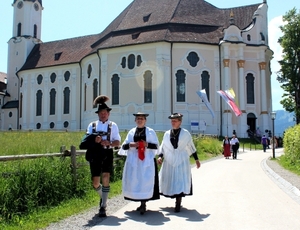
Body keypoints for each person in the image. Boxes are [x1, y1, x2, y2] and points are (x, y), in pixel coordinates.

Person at [80, 95, 121, 217]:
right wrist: (95, 140)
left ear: (108, 114)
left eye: (105, 113)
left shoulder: (113, 126)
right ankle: (103, 198)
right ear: (98, 114)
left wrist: (109, 143)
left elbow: (117, 142)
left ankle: (103, 206)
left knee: (106, 176)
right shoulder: (92, 126)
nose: (103, 115)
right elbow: (85, 141)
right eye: (101, 113)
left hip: (107, 153)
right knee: (95, 182)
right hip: (95, 154)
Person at [157, 113, 201, 213]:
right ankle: (173, 196)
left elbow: (191, 147)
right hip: (169, 161)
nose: (173, 122)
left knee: (180, 181)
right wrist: (160, 157)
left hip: (181, 160)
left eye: (175, 121)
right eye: (172, 121)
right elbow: (163, 147)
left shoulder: (186, 134)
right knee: (170, 179)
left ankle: (178, 202)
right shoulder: (167, 134)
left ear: (180, 122)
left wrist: (197, 160)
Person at [118, 112, 160, 215]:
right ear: (135, 120)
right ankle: (140, 201)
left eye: (142, 118)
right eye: (138, 118)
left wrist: (147, 144)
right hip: (134, 162)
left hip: (147, 161)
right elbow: (124, 147)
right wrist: (131, 144)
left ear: (145, 120)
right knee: (136, 181)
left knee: (145, 181)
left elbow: (156, 147)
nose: (140, 120)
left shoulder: (150, 132)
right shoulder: (132, 132)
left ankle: (143, 204)